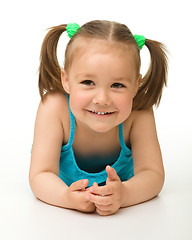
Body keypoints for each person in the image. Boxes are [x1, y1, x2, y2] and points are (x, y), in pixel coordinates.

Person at [29, 20, 168, 216]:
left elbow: (153, 174)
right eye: (88, 82)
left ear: (136, 85)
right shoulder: (54, 107)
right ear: (66, 80)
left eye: (117, 85)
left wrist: (125, 194)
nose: (102, 99)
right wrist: (65, 197)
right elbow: (40, 174)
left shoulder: (139, 112)